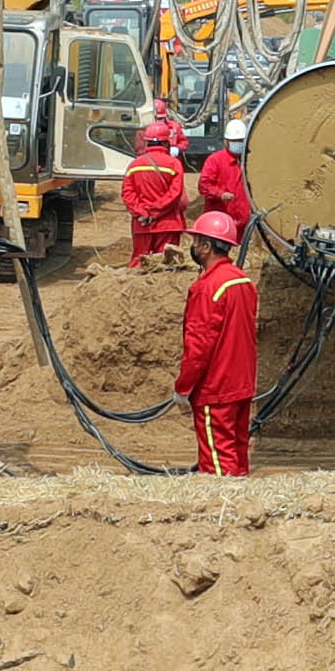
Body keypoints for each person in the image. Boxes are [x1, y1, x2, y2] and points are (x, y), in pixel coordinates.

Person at [175, 213, 259, 477]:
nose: (194, 246)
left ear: (207, 246)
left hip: (216, 388)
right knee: (237, 452)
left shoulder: (207, 287)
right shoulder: (242, 281)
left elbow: (198, 346)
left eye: (197, 240)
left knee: (218, 465)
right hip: (241, 385)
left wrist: (184, 387)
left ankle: (225, 513)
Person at [122, 114, 192, 265]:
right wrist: (155, 211)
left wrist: (143, 212)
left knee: (139, 264)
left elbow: (127, 194)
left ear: (146, 142)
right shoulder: (174, 165)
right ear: (167, 143)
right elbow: (175, 194)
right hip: (168, 224)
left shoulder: (134, 165)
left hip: (143, 224)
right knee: (166, 267)